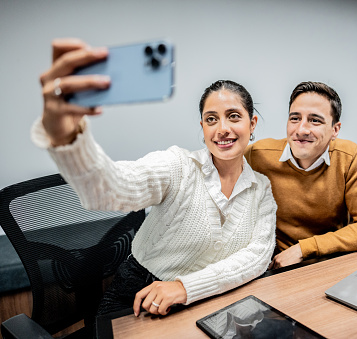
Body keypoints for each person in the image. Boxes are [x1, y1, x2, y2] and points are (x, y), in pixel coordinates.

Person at [32, 38, 277, 318]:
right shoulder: (178, 165)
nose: (222, 129)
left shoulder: (261, 188)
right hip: (138, 296)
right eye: (211, 119)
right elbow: (111, 190)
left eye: (233, 116)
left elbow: (257, 257)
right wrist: (67, 137)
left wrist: (185, 288)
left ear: (252, 123)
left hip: (207, 301)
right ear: (202, 126)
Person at [244, 81, 357, 269]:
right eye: (295, 118)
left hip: (330, 264)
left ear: (335, 130)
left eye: (315, 120)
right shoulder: (258, 154)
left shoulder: (349, 157)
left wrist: (303, 249)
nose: (301, 130)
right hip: (276, 269)